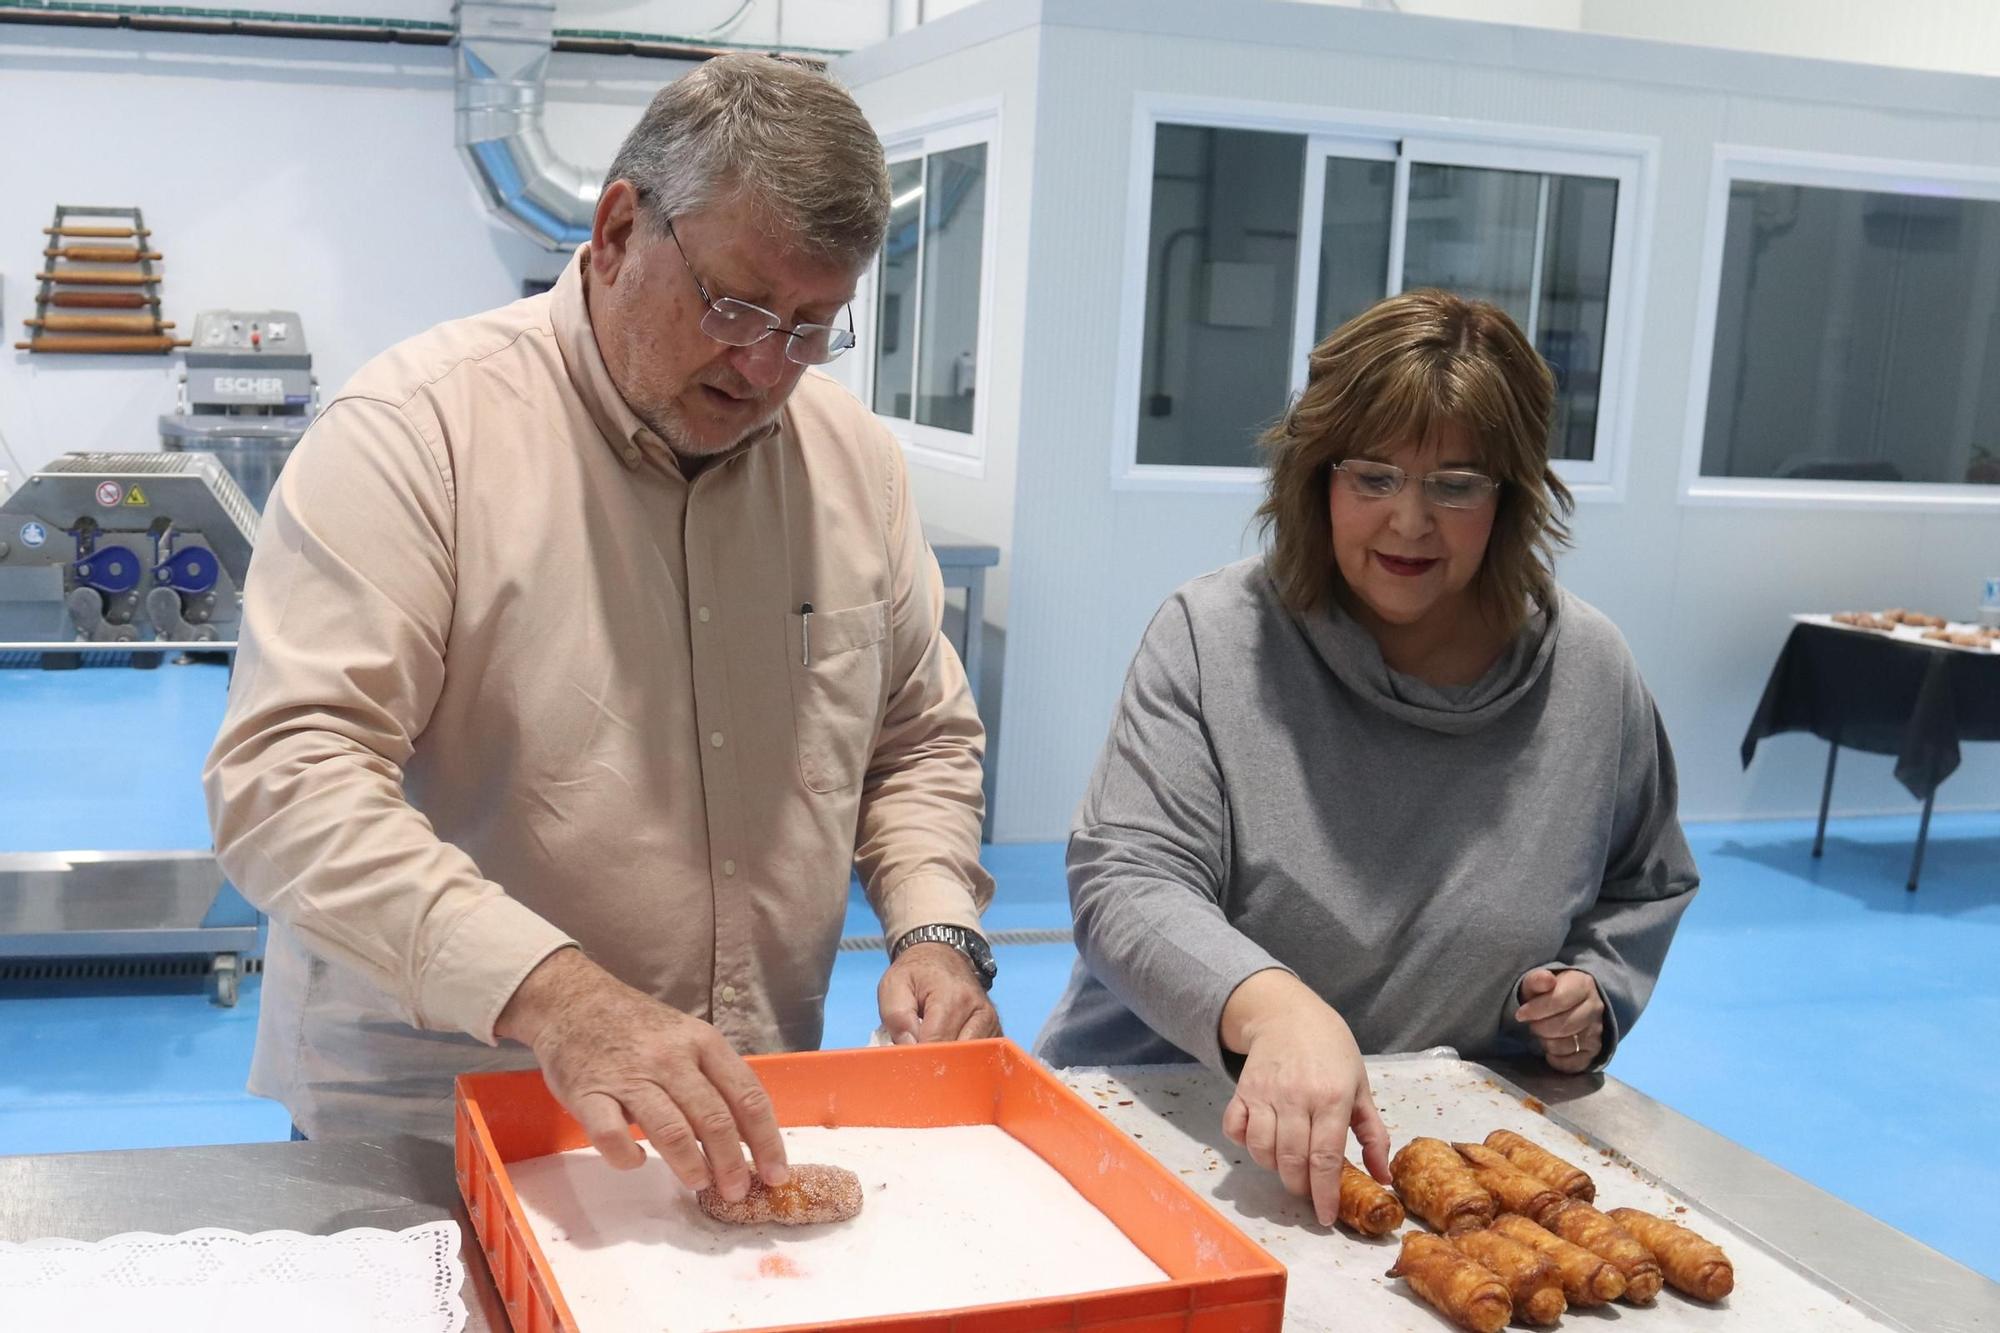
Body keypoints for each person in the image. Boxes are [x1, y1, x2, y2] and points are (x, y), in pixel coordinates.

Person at [204, 54, 1000, 1205]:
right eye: (733, 306)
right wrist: (560, 996)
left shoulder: (851, 465)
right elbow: (288, 779)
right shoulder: (415, 435)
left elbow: (914, 738)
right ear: (619, 228)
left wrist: (934, 927)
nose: (765, 365)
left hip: (734, 1117)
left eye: (809, 325)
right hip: (436, 1128)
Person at [1034, 290, 1698, 1229]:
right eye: (1373, 477)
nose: (1409, 523)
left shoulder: (1591, 674)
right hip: (1161, 1124)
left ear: (1511, 496)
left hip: (1423, 1167)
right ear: (1315, 479)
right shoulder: (1215, 637)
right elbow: (1127, 879)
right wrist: (1271, 1009)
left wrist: (1596, 990)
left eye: (1456, 484)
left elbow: (1643, 879)